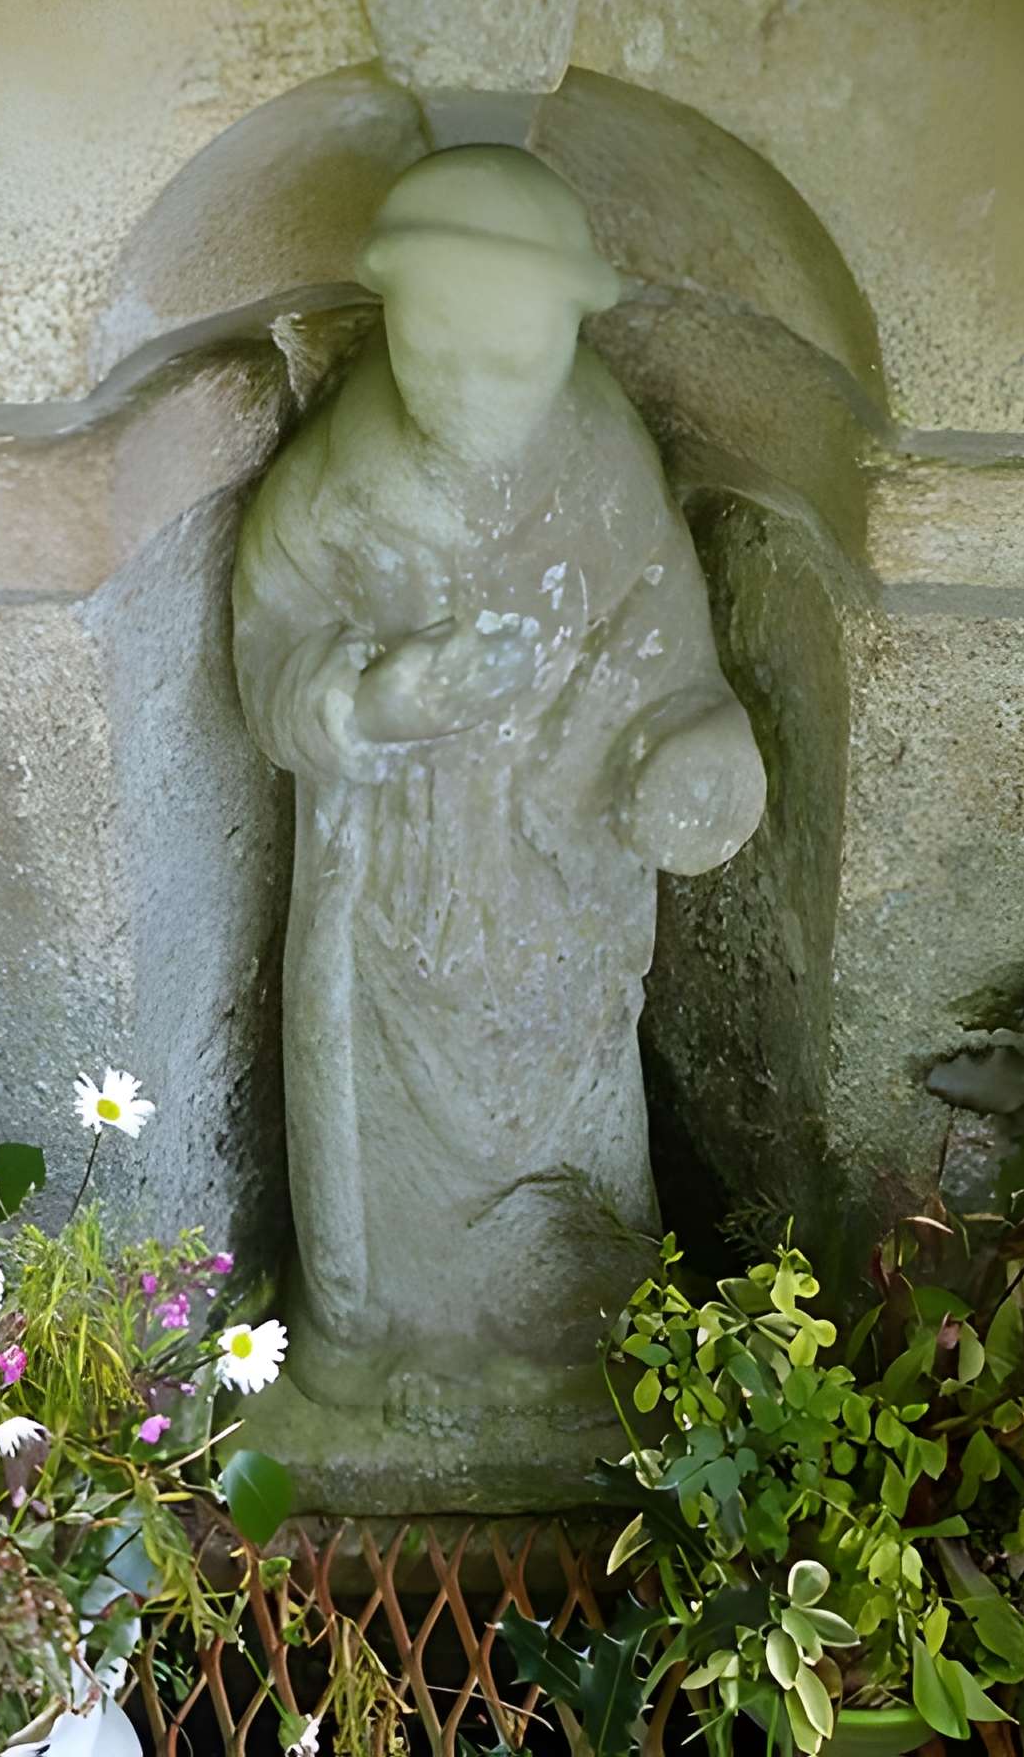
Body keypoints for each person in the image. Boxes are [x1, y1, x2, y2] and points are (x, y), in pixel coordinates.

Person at [233, 146, 764, 1422]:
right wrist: (369, 702)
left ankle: (569, 1334)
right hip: (395, 885)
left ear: (568, 326)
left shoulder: (601, 463)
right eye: (439, 347)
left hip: (556, 886)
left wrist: (696, 753)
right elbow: (266, 648)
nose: (470, 383)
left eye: (507, 353)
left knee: (559, 1119)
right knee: (387, 1121)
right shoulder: (338, 481)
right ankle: (393, 1335)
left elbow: (667, 653)